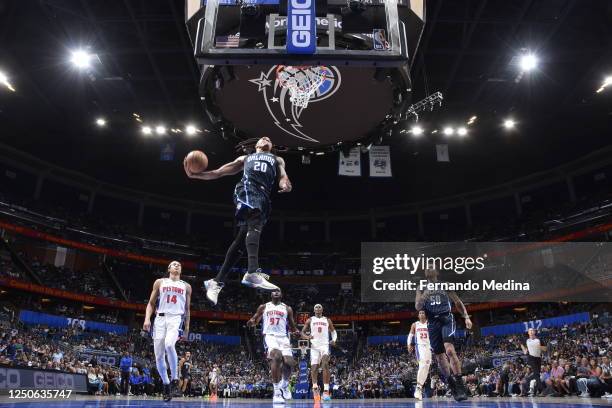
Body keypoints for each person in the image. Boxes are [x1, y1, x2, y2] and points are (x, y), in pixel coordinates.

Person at [185, 137, 292, 305]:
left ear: (271, 147)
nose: (266, 139)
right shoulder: (245, 159)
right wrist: (195, 175)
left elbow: (284, 177)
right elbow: (218, 172)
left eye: (270, 139)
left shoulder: (277, 159)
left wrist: (286, 184)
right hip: (247, 190)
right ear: (256, 146)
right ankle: (252, 272)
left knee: (242, 242)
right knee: (254, 222)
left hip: (263, 198)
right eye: (263, 138)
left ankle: (216, 281)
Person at [415, 268, 472, 402]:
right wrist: (425, 294)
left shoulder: (445, 285)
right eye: (427, 267)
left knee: (450, 350)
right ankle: (451, 384)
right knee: (440, 356)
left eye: (432, 266)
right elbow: (418, 307)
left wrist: (466, 317)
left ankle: (460, 384)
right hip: (433, 322)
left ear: (437, 272)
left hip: (446, 318)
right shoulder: (421, 287)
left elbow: (457, 301)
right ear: (425, 274)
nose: (429, 268)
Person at [143, 261, 192, 402]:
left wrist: (187, 327)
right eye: (173, 264)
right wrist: (147, 318)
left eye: (179, 265)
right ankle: (166, 384)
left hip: (176, 318)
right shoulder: (160, 282)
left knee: (169, 345)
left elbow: (187, 309)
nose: (177, 265)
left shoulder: (186, 286)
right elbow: (151, 303)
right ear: (169, 268)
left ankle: (175, 379)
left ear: (181, 270)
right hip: (160, 318)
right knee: (158, 356)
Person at [247, 289, 300, 403]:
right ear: (271, 295)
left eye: (278, 291)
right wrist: (251, 321)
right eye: (274, 291)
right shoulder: (263, 307)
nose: (276, 292)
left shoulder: (287, 308)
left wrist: (296, 331)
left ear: (281, 295)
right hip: (270, 336)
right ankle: (277, 393)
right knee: (277, 356)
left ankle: (285, 385)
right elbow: (255, 319)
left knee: (290, 363)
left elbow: (292, 325)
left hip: (283, 337)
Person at [301, 304, 337, 402]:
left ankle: (326, 391)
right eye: (316, 307)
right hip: (314, 347)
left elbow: (333, 331)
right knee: (314, 367)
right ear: (314, 310)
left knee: (325, 364)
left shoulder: (327, 320)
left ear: (322, 309)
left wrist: (334, 339)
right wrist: (307, 337)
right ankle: (315, 388)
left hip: (325, 345)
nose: (318, 308)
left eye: (319, 307)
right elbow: (302, 332)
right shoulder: (310, 320)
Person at [407, 310, 431, 400]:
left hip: (429, 347)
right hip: (419, 347)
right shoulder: (415, 324)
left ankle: (419, 388)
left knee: (426, 368)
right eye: (420, 313)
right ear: (418, 315)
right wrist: (409, 344)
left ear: (426, 315)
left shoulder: (430, 323)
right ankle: (418, 388)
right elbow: (410, 335)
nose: (421, 314)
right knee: (422, 365)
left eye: (423, 313)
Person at [520, 328, 546, 396]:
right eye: (530, 331)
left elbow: (545, 349)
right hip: (531, 357)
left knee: (537, 375)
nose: (531, 332)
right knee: (536, 373)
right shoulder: (526, 340)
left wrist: (539, 347)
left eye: (532, 330)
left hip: (538, 358)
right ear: (528, 333)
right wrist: (524, 350)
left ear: (535, 332)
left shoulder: (539, 340)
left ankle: (531, 385)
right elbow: (521, 344)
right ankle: (542, 391)